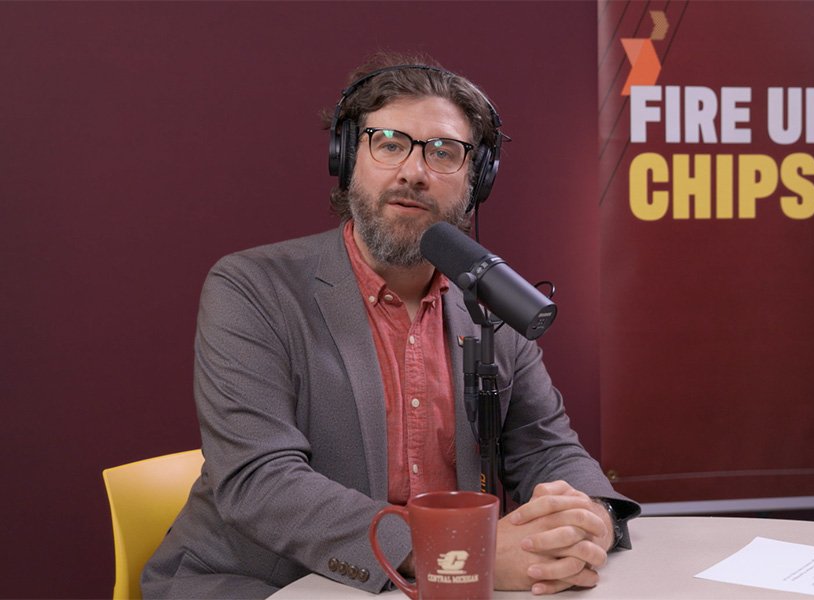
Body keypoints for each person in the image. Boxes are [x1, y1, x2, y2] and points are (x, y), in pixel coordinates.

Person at [142, 53, 640, 599]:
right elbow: (261, 482)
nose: (414, 171)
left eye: (444, 152)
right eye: (388, 143)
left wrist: (589, 517)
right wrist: (458, 553)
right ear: (347, 159)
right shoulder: (252, 287)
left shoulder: (490, 301)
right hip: (259, 584)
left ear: (476, 181)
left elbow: (546, 447)